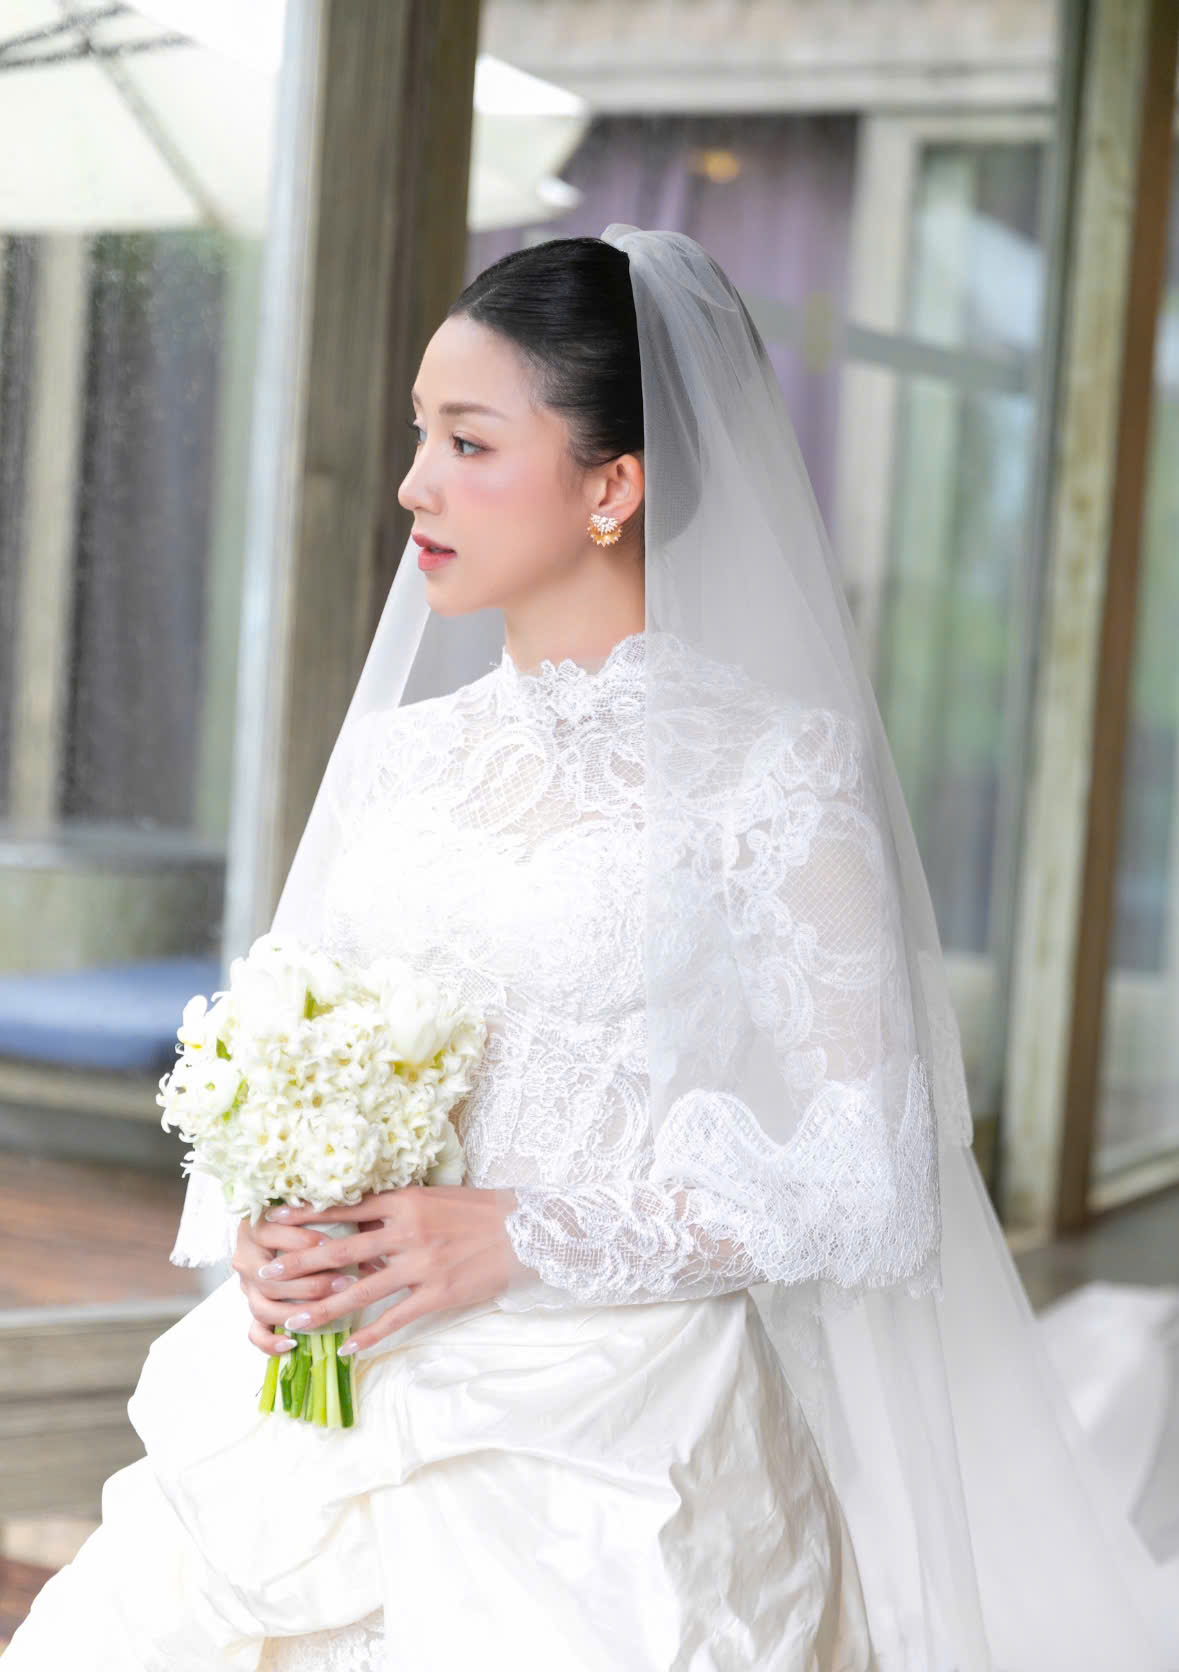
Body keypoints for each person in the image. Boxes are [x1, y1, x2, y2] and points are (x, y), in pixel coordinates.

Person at [6, 226, 1177, 1672]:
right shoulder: (401, 759)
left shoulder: (772, 772)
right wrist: (273, 1231)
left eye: (468, 441)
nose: (414, 483)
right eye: (419, 435)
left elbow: (874, 1180)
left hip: (620, 1442)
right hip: (329, 1409)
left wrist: (531, 1235)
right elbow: (296, 1039)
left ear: (613, 486)